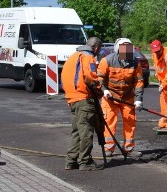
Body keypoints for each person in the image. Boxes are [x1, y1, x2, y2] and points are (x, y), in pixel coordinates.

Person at [62, 37, 104, 170]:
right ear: (96, 48)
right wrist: (98, 90)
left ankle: (71, 160)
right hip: (84, 98)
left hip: (72, 98)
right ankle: (84, 162)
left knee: (77, 131)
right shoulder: (88, 56)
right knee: (86, 131)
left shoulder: (73, 56)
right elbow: (90, 76)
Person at [97, 37, 144, 156]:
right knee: (109, 122)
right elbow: (99, 78)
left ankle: (128, 149)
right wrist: (104, 91)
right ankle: (108, 148)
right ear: (118, 51)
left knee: (130, 122)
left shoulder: (135, 62)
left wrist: (138, 100)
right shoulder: (107, 61)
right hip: (110, 97)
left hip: (127, 97)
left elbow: (139, 82)